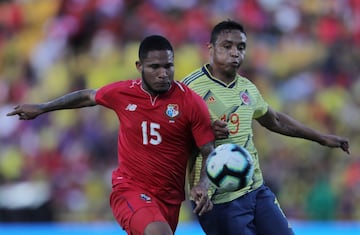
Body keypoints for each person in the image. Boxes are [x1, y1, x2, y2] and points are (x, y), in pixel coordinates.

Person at [7, 35, 215, 235]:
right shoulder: (123, 93)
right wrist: (42, 108)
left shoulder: (191, 103)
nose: (163, 73)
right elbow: (87, 96)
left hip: (170, 199)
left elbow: (207, 150)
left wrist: (203, 183)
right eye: (155, 67)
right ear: (139, 66)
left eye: (168, 66)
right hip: (130, 189)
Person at [182, 20, 350, 235]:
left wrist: (321, 138)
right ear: (211, 48)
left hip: (255, 190)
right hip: (217, 200)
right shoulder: (189, 88)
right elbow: (172, 137)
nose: (235, 53)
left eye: (240, 47)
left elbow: (276, 120)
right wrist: (202, 133)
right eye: (227, 46)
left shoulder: (247, 88)